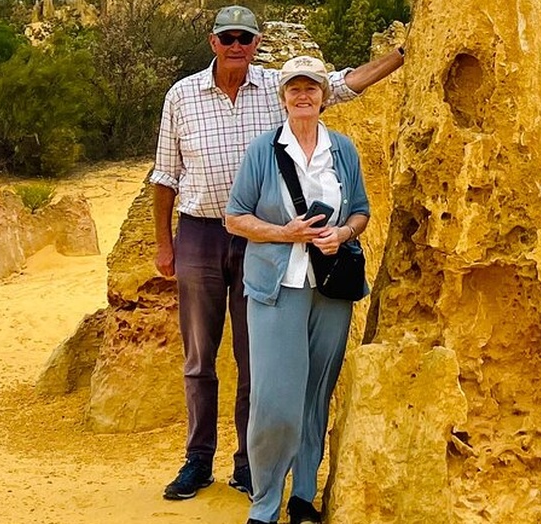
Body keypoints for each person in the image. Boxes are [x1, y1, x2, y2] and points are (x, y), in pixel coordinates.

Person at [151, 4, 403, 501]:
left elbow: (345, 84)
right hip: (202, 232)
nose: (237, 45)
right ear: (213, 43)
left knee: (255, 359)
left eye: (245, 37)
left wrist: (402, 54)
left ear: (257, 43)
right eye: (228, 38)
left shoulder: (278, 87)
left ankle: (250, 464)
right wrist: (165, 243)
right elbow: (165, 174)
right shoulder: (181, 95)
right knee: (199, 355)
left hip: (265, 238)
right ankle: (198, 459)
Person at [224, 55, 370, 524]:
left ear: (324, 97)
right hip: (276, 287)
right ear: (282, 97)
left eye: (311, 88)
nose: (303, 96)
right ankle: (265, 501)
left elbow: (360, 211)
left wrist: (342, 234)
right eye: (294, 89)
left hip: (329, 289)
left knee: (316, 394)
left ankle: (303, 494)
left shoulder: (343, 150)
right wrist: (285, 233)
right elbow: (235, 216)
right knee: (274, 400)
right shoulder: (262, 151)